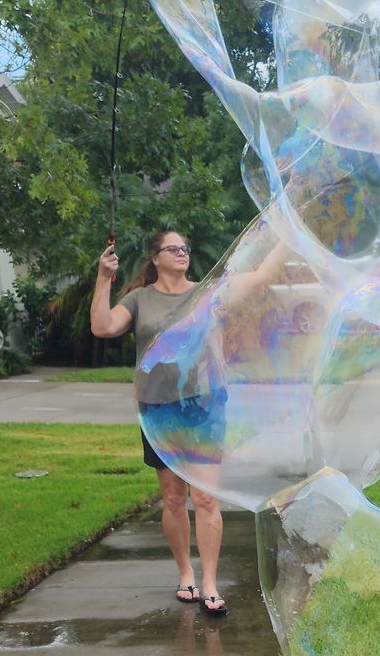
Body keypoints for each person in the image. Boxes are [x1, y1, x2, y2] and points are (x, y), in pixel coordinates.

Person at [90, 231, 229, 616]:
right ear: (155, 258)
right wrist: (104, 278)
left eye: (186, 247)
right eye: (174, 248)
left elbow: (258, 278)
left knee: (206, 497)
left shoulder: (206, 292)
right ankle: (186, 572)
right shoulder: (139, 299)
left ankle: (211, 583)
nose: (183, 252)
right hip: (157, 409)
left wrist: (285, 226)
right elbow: (102, 327)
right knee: (173, 498)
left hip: (203, 406)